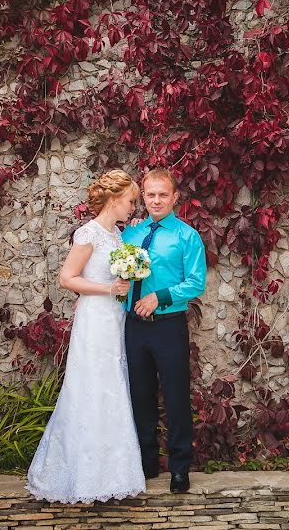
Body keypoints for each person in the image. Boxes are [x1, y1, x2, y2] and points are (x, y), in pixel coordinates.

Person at [27, 170, 146, 503]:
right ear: (113, 199)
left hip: (114, 320)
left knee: (112, 388)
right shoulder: (88, 233)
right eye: (130, 201)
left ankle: (109, 476)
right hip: (95, 320)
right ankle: (82, 476)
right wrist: (108, 288)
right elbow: (67, 278)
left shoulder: (119, 236)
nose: (133, 207)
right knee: (91, 388)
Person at [122, 168, 206, 494]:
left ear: (174, 197)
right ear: (143, 197)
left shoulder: (187, 236)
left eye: (162, 195)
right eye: (150, 194)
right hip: (134, 328)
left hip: (169, 326)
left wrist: (160, 296)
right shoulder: (130, 234)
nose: (156, 200)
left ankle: (180, 469)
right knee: (140, 396)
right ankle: (146, 463)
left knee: (175, 397)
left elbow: (196, 282)